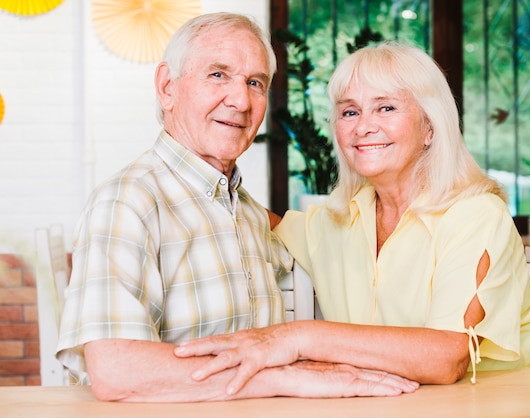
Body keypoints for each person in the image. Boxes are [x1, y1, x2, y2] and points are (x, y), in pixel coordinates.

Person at [55, 14, 418, 402]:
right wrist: (282, 378)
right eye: (218, 75)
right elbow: (116, 370)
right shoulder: (128, 201)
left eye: (255, 83)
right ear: (167, 88)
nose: (241, 101)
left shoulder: (245, 209)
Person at [174, 41, 530, 393]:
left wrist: (298, 338)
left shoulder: (476, 213)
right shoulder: (340, 219)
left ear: (430, 127)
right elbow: (256, 217)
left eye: (386, 107)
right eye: (349, 112)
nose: (364, 126)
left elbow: (446, 357)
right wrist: (196, 166)